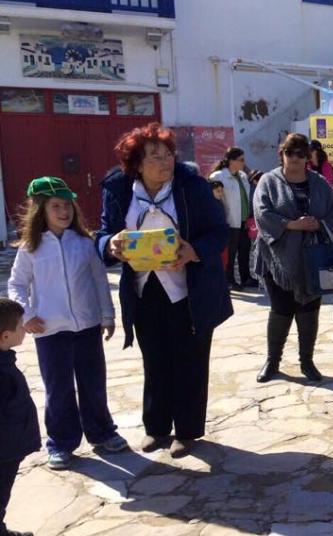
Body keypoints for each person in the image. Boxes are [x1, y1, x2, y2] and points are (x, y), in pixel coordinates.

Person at [95, 123, 233, 458]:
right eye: (155, 156)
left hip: (189, 290)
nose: (165, 161)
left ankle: (187, 431)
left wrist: (193, 251)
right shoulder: (119, 190)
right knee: (155, 360)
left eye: (169, 154)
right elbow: (103, 233)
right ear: (137, 164)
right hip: (144, 289)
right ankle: (156, 428)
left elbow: (219, 231)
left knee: (190, 361)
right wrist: (110, 243)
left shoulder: (192, 187)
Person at [8, 177, 127, 470]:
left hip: (87, 328)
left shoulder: (85, 243)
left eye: (67, 206)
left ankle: (102, 433)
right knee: (58, 389)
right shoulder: (30, 248)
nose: (64, 212)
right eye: (56, 206)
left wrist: (107, 315)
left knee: (93, 384)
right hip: (49, 331)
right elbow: (16, 284)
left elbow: (99, 281)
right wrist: (26, 315)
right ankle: (61, 443)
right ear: (41, 210)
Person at [253, 133, 333, 384]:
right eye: (290, 152)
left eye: (301, 153)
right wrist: (292, 224)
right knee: (281, 309)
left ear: (308, 157)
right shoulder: (269, 181)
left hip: (313, 259)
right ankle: (273, 361)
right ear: (282, 154)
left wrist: (318, 224)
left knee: (309, 309)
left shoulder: (319, 183)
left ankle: (307, 361)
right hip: (277, 259)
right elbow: (262, 213)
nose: (295, 158)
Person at [0, 299, 41, 536]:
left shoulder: (5, 361)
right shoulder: (3, 373)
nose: (24, 329)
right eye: (20, 326)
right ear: (6, 336)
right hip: (5, 450)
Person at [209, 147, 255, 291]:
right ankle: (229, 280)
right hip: (229, 221)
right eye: (241, 160)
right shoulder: (218, 176)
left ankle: (246, 278)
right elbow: (213, 200)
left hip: (244, 220)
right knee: (230, 253)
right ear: (231, 161)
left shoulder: (242, 176)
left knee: (244, 250)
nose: (243, 162)